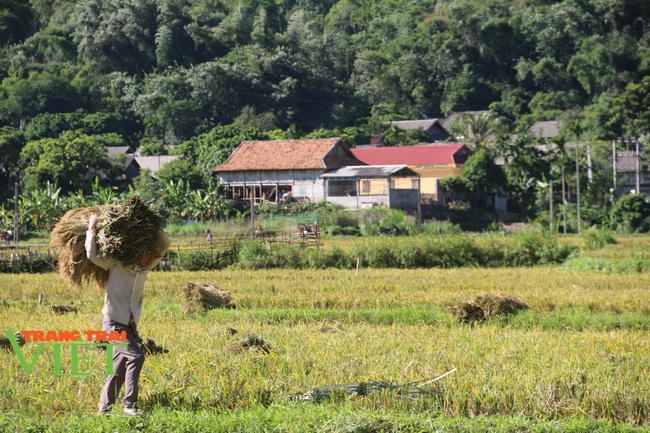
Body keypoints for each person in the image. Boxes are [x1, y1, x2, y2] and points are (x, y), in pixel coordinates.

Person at [85, 213, 170, 416]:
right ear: (136, 252)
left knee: (118, 370)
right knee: (136, 356)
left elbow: (165, 244)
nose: (151, 259)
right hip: (113, 323)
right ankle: (129, 405)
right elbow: (92, 256)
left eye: (153, 256)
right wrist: (91, 228)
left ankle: (103, 410)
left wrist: (153, 226)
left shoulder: (145, 268)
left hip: (130, 327)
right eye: (148, 255)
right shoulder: (116, 264)